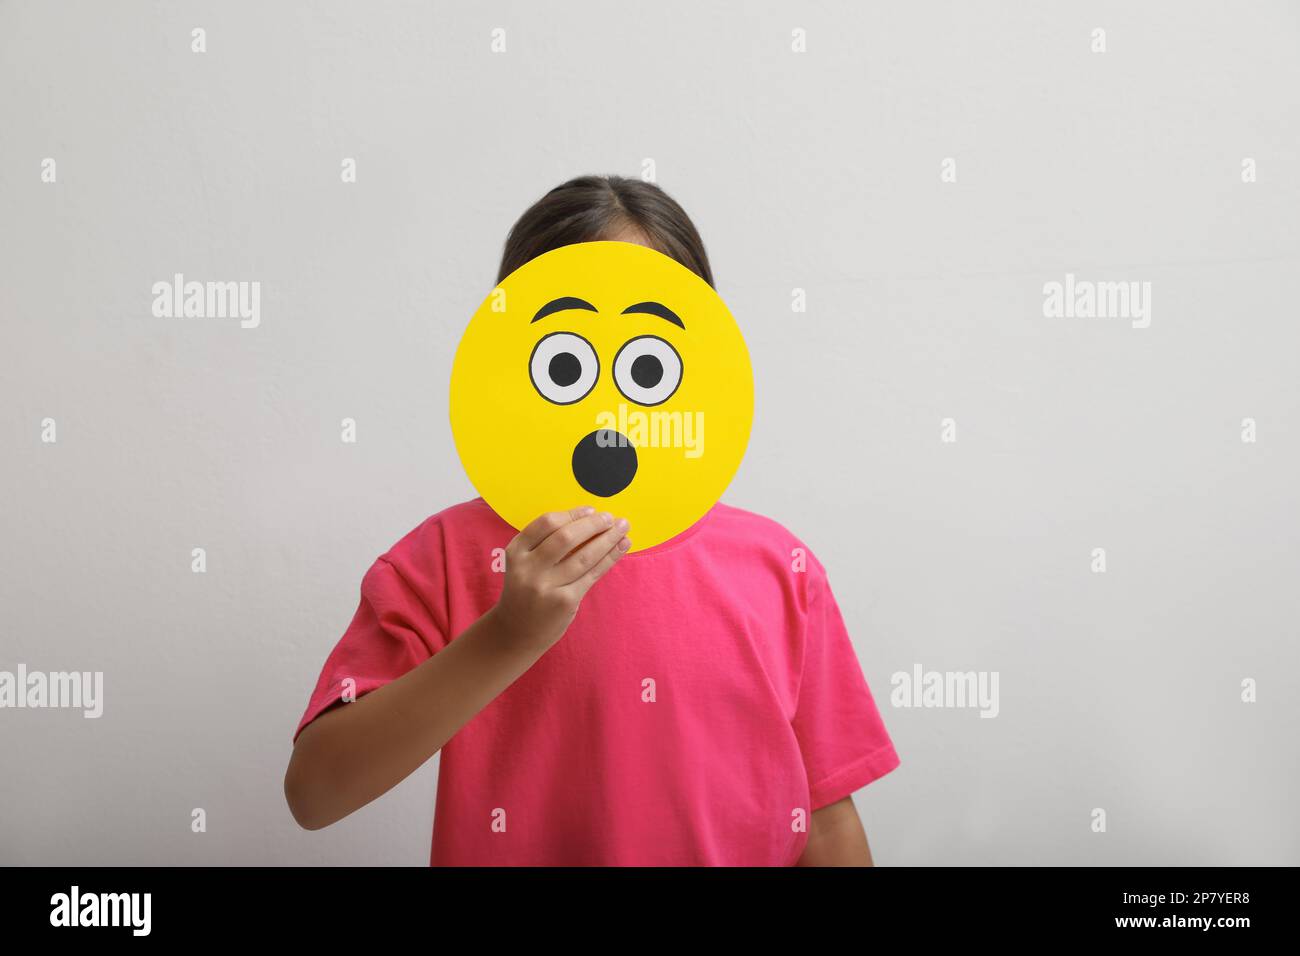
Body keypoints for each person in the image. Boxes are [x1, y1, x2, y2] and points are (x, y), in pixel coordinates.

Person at [283, 175, 900, 865]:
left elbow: (826, 819)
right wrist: (507, 636)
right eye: (571, 357)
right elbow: (315, 792)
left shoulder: (779, 566)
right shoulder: (445, 559)